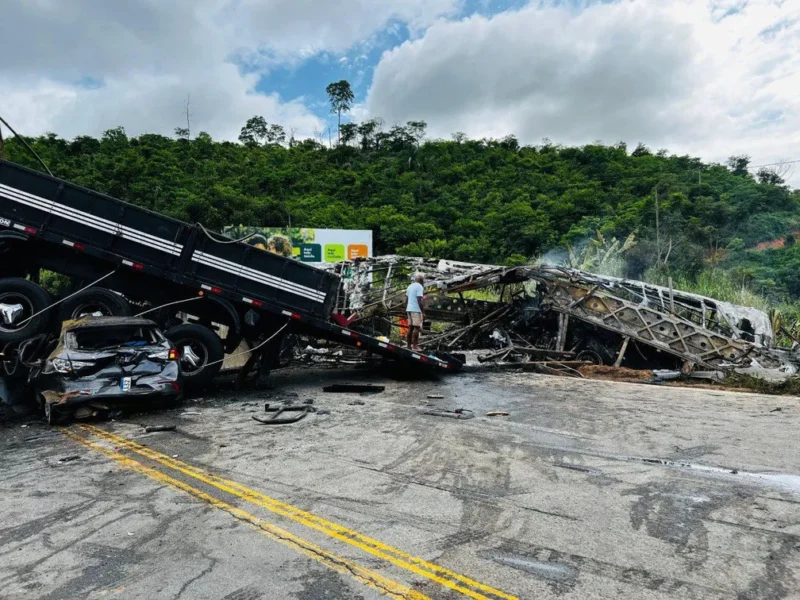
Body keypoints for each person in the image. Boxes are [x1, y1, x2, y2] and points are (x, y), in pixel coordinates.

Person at [406, 273, 425, 350]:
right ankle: (415, 346)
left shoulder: (410, 286)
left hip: (409, 309)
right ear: (421, 281)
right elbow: (419, 300)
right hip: (416, 309)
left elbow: (406, 299)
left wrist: (406, 308)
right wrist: (423, 312)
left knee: (410, 328)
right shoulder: (419, 286)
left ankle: (408, 346)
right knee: (416, 328)